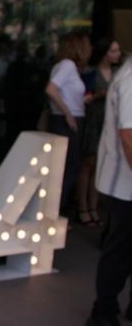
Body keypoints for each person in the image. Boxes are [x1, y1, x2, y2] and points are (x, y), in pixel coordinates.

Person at [86, 56, 132, 326]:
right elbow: (128, 136)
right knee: (119, 250)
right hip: (124, 183)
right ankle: (103, 312)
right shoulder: (131, 77)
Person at [45, 31, 92, 214]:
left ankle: (53, 211)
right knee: (67, 168)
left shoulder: (63, 65)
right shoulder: (68, 65)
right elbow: (51, 89)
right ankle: (55, 212)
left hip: (64, 118)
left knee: (62, 168)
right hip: (67, 121)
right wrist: (68, 113)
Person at [77, 38, 122, 225]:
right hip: (94, 119)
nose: (117, 54)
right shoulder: (91, 73)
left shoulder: (119, 73)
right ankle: (82, 206)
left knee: (98, 166)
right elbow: (82, 96)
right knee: (87, 163)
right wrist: (97, 95)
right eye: (113, 51)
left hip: (110, 121)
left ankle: (93, 206)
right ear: (105, 54)